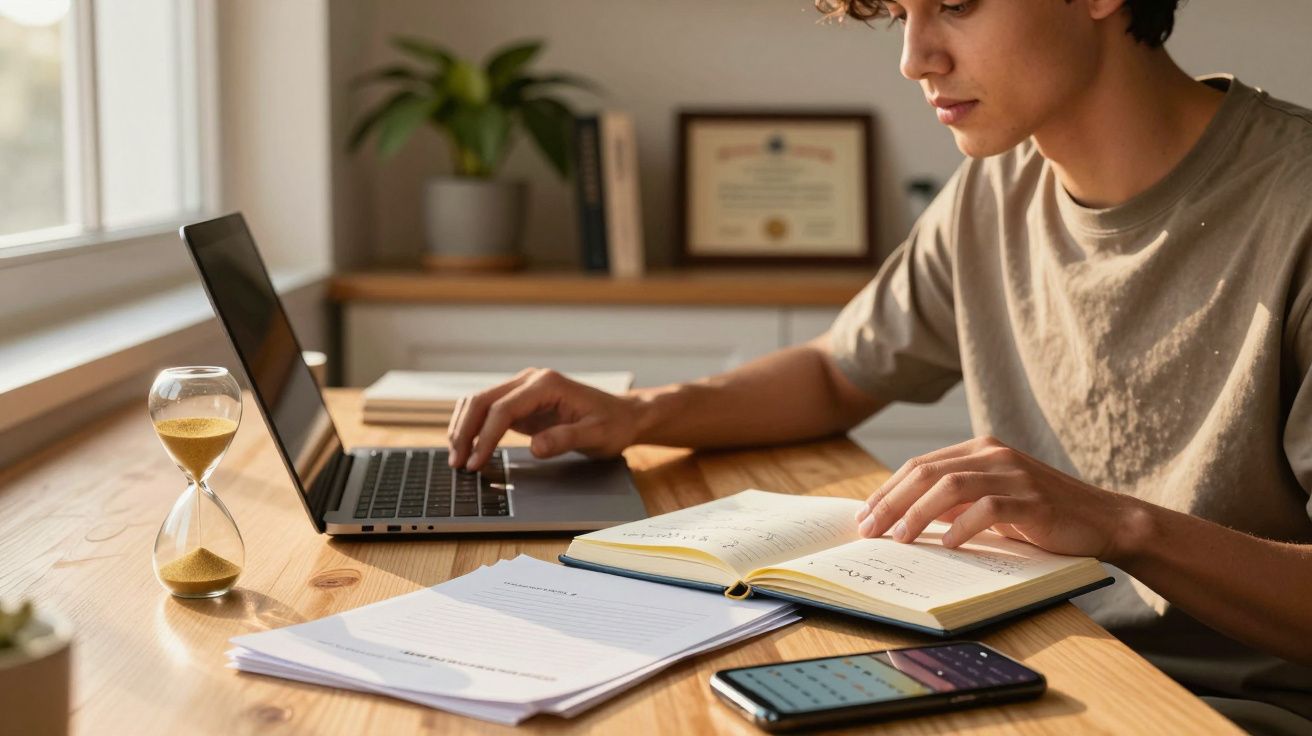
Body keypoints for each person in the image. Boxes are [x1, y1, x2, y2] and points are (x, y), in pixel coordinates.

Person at [447, 1, 1312, 732]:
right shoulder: (996, 187)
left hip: (1215, 709)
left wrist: (1121, 526)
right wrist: (643, 415)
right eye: (902, 13)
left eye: (956, 5)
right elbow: (839, 372)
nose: (914, 57)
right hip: (1019, 663)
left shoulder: (1295, 204)